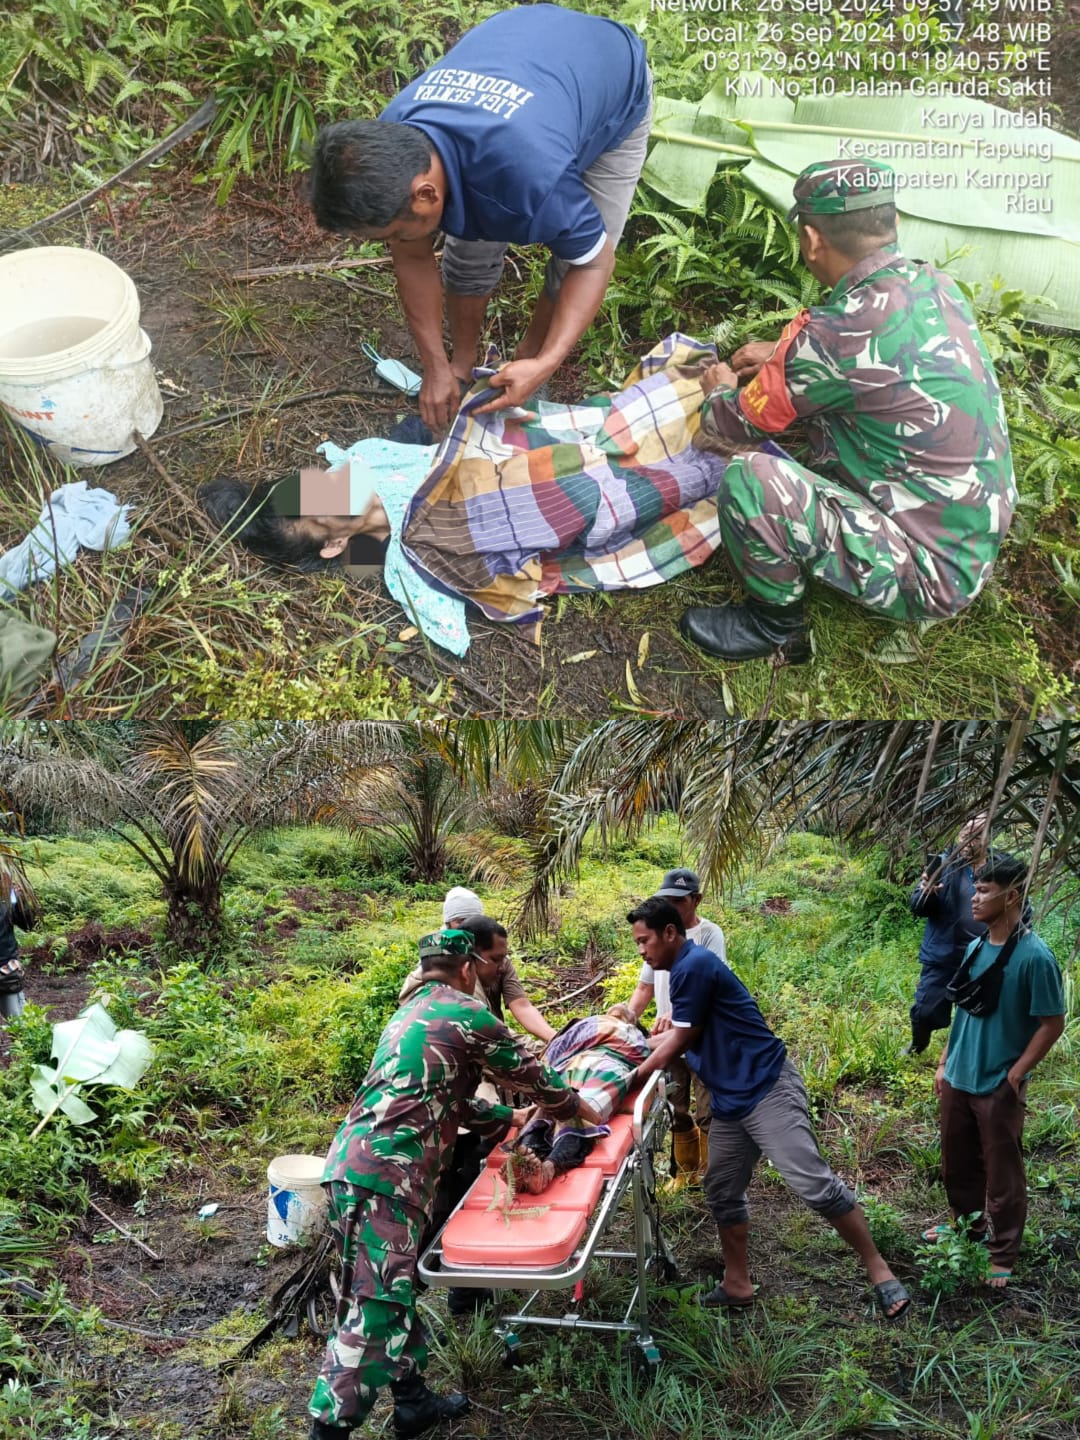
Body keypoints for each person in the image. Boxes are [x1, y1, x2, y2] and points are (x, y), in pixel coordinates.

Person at [679, 158, 1016, 663]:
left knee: (753, 479)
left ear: (812, 239)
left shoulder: (833, 336)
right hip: (968, 533)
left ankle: (776, 626)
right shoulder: (935, 285)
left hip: (928, 575)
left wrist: (719, 386)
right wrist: (783, 353)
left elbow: (729, 424)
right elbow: (875, 361)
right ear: (894, 224)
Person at [309, 928, 602, 1440]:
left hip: (352, 1167)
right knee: (373, 1307)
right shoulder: (468, 1014)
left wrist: (510, 1123)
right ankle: (328, 1430)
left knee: (384, 1290)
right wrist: (576, 1108)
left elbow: (450, 1100)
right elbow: (534, 1075)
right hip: (387, 1178)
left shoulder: (409, 1014)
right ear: (468, 969)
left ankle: (414, 1403)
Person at [308, 5, 653, 430]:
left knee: (573, 261)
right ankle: (465, 362)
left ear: (426, 193)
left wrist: (546, 363)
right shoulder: (391, 142)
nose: (394, 243)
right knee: (469, 254)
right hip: (525, 49)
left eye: (393, 233)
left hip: (613, 80)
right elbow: (413, 256)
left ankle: (527, 363)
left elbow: (594, 261)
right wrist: (437, 366)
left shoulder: (529, 179)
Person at [627, 898, 910, 1319]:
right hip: (730, 1099)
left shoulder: (694, 965)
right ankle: (737, 1284)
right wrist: (621, 1043)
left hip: (766, 1088)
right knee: (721, 1189)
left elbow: (680, 1042)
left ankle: (880, 1270)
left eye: (644, 941)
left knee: (814, 1184)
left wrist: (630, 1079)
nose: (641, 952)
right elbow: (675, 1038)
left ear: (670, 933)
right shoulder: (684, 970)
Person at [929, 855, 1065, 1289]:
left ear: (1013, 896)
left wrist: (1016, 1074)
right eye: (976, 887)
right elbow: (963, 1009)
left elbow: (1052, 1022)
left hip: (996, 1083)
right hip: (959, 1077)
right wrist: (945, 1061)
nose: (974, 897)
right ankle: (965, 1226)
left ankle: (1002, 1252)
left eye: (985, 890)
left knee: (1003, 1175)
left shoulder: (1034, 957)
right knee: (956, 1163)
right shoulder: (974, 947)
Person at [626, 869, 725, 1189]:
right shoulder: (656, 936)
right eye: (666, 899)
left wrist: (676, 1016)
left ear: (696, 900)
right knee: (675, 1104)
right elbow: (644, 988)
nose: (672, 905)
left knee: (708, 1105)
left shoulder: (708, 936)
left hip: (697, 1034)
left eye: (678, 900)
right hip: (667, 1035)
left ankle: (713, 1177)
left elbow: (708, 987)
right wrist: (626, 1015)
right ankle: (684, 1172)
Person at [508, 1002, 651, 1192]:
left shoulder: (635, 1037)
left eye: (628, 1012)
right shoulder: (588, 1025)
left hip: (610, 1065)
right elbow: (557, 1050)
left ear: (634, 1023)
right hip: (574, 1063)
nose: (623, 1006)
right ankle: (524, 1159)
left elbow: (641, 1053)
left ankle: (548, 1168)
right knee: (550, 1104)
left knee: (582, 1112)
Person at [906, 815, 989, 1055]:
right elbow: (917, 907)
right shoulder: (943, 865)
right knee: (925, 1010)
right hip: (944, 954)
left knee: (980, 1010)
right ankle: (918, 1044)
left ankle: (967, 1054)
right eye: (965, 833)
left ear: (987, 837)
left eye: (975, 835)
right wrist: (926, 892)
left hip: (984, 955)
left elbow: (1017, 902)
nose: (968, 840)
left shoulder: (999, 867)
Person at [0, 881, 37, 1021]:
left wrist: (20, 901)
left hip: (5, 972)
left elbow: (29, 925)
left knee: (19, 1023)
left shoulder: (7, 897)